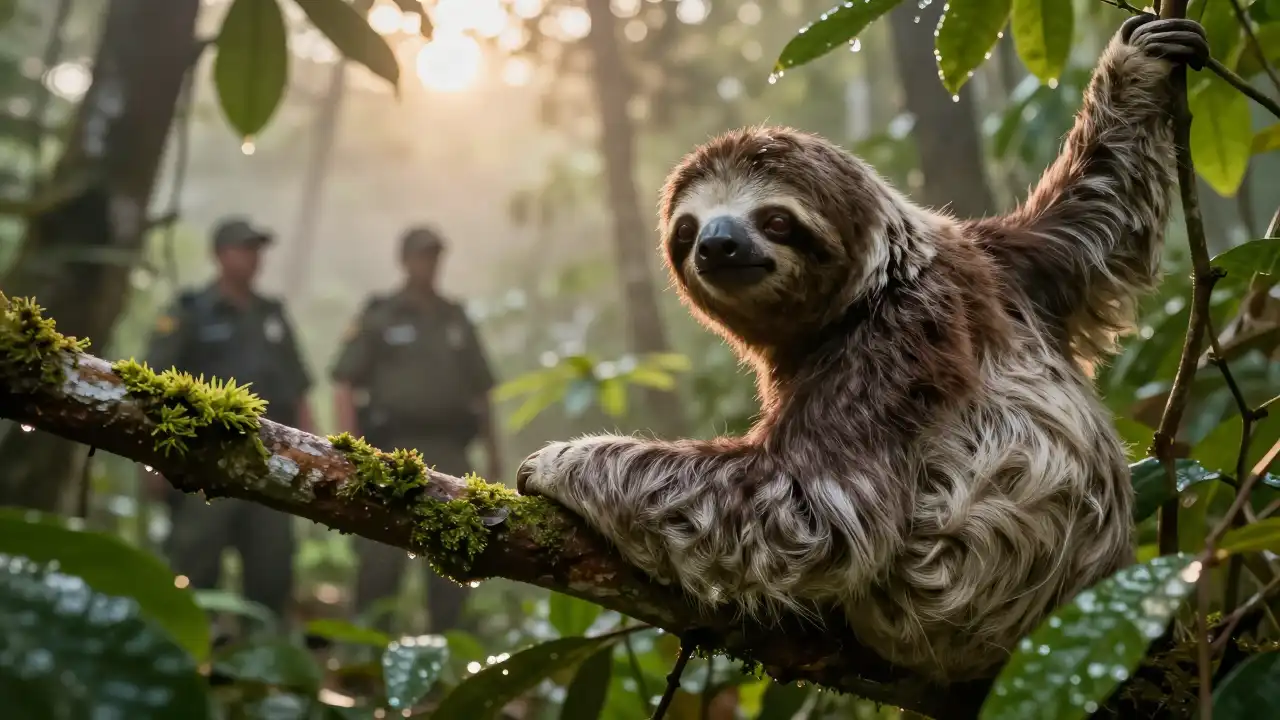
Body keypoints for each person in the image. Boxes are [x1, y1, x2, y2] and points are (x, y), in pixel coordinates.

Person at [141, 216, 314, 623]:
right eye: (243, 249)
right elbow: (154, 388)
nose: (253, 258)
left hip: (271, 464)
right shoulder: (191, 312)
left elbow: (298, 389)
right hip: (204, 462)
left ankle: (263, 668)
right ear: (219, 255)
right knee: (195, 570)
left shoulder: (272, 315)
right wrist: (152, 462)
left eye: (257, 250)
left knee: (271, 572)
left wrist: (316, 456)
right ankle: (194, 660)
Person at [331, 225, 500, 634]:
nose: (430, 264)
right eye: (422, 256)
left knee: (455, 555)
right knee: (379, 559)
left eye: (435, 256)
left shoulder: (455, 317)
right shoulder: (380, 314)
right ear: (405, 260)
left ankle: (451, 654)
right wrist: (348, 453)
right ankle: (365, 655)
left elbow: (482, 391)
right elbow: (344, 382)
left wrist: (495, 456)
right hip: (391, 451)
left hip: (451, 449)